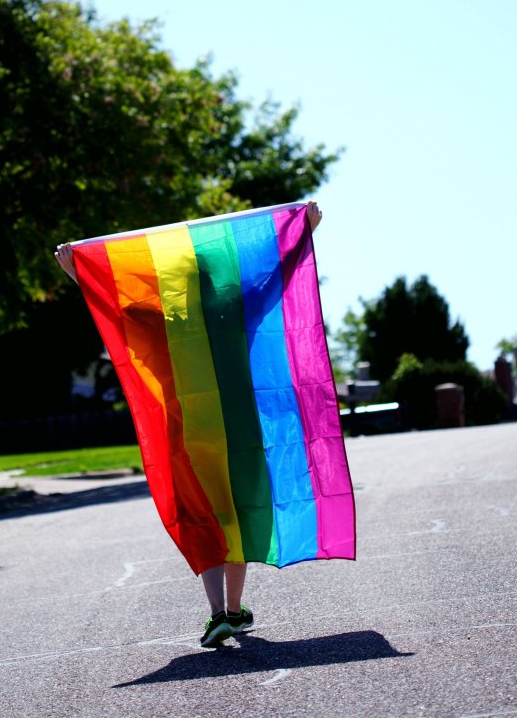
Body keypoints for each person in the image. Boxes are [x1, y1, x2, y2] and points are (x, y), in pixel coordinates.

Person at [54, 200, 323, 647]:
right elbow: (276, 279)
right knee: (237, 516)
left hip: (187, 438)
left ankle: (218, 612)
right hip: (239, 434)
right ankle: (233, 611)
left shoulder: (166, 319)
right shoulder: (238, 306)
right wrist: (303, 233)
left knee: (204, 517)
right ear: (219, 279)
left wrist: (78, 272)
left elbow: (115, 310)